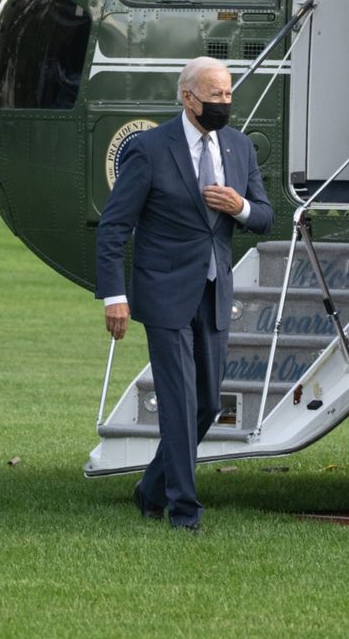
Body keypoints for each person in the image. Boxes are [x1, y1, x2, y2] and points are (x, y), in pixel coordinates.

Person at [94, 57, 271, 531]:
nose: (224, 103)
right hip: (164, 292)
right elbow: (114, 227)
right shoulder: (150, 149)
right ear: (188, 97)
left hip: (214, 291)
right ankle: (184, 510)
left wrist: (241, 206)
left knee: (207, 404)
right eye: (216, 95)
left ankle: (149, 488)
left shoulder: (238, 147)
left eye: (229, 94)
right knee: (177, 402)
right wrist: (114, 295)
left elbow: (266, 216)